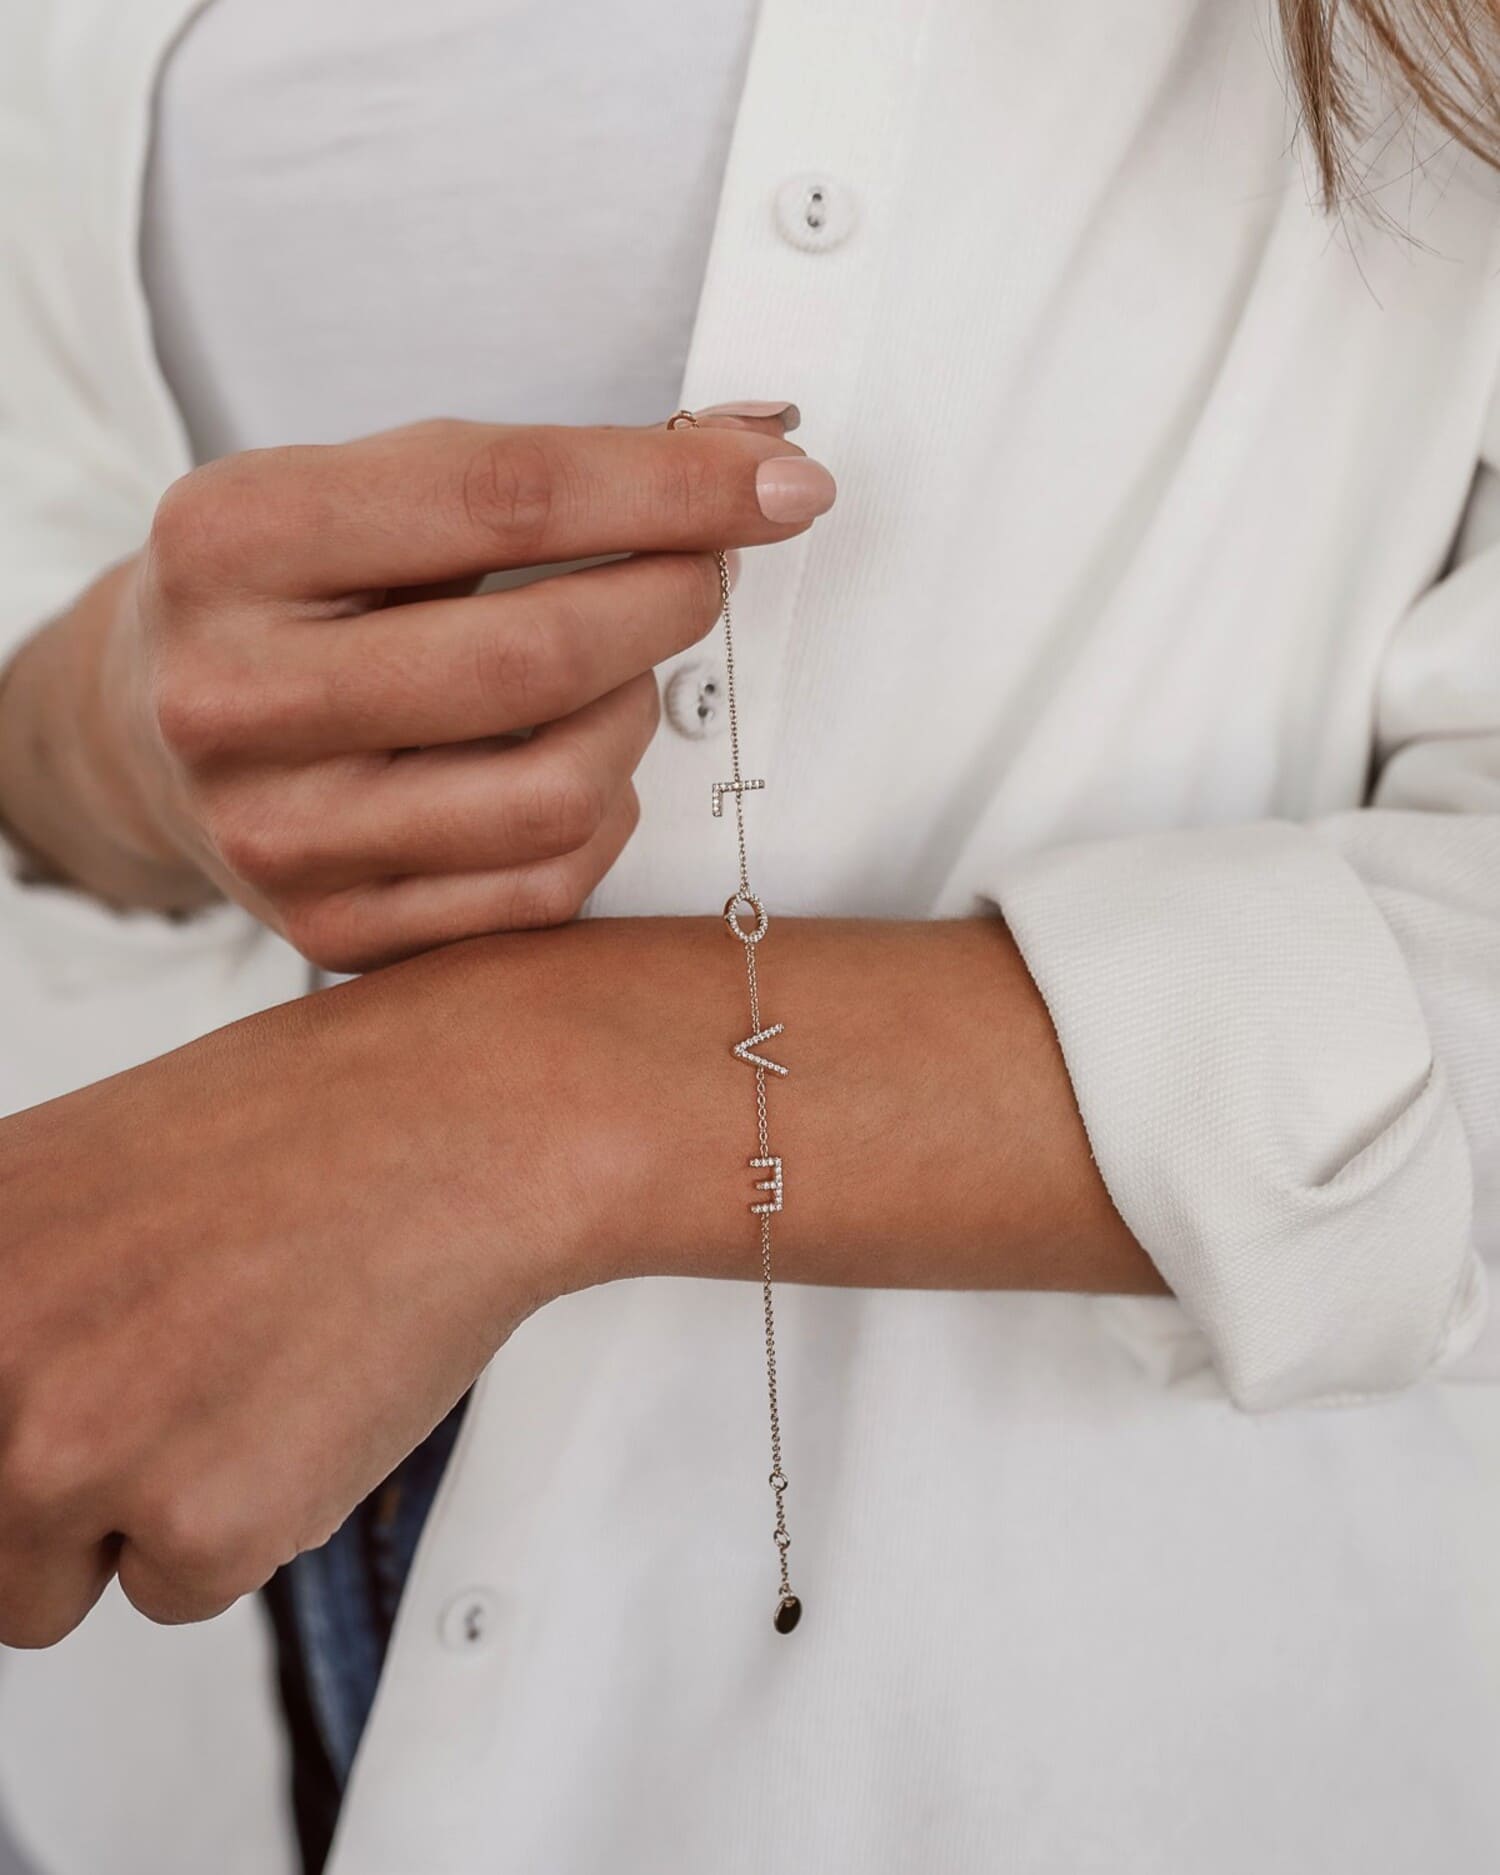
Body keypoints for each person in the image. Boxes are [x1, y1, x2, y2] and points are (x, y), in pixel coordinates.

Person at [1, 2, 1498, 1872]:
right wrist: (114, 732)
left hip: (1095, 1714)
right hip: (225, 1582)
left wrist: (520, 1111)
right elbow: (44, 518)